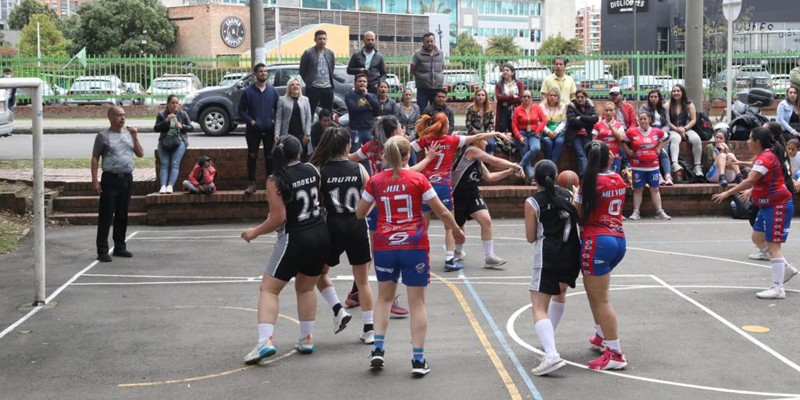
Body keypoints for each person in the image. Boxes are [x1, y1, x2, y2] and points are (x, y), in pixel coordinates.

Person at [356, 135, 465, 377]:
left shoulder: (375, 181)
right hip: (413, 245)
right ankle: (417, 360)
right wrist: (456, 230)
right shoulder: (419, 179)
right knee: (417, 303)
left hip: (385, 244)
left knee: (384, 298)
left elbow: (359, 212)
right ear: (407, 156)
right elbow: (442, 210)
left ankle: (378, 348)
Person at [241, 135, 331, 364]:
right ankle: (307, 338)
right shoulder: (312, 169)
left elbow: (277, 218)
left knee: (269, 289)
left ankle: (264, 341)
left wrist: (254, 232)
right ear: (299, 151)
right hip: (320, 234)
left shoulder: (275, 179)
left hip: (296, 237)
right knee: (306, 287)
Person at [345, 115, 438, 315]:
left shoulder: (370, 146)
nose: (402, 129)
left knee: (376, 252)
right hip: (390, 203)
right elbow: (409, 173)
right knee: (393, 250)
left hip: (374, 201)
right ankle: (389, 298)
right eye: (400, 127)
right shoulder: (396, 148)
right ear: (395, 131)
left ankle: (355, 291)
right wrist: (429, 159)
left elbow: (350, 158)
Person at [412, 112, 508, 271]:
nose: (450, 125)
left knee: (423, 224)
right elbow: (478, 137)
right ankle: (449, 259)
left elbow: (406, 147)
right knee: (449, 225)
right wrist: (496, 133)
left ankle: (417, 256)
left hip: (426, 185)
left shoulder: (425, 140)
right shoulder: (452, 140)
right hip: (442, 186)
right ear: (444, 126)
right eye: (448, 123)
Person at [712, 127, 798, 299]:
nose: (747, 142)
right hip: (767, 204)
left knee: (774, 246)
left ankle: (777, 288)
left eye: (750, 139)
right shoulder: (765, 156)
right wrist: (741, 165)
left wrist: (727, 193)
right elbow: (759, 173)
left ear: (757, 142)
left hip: (778, 204)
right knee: (757, 238)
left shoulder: (765, 158)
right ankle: (785, 267)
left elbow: (750, 180)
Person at [308, 128, 375, 343]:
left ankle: (338, 309)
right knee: (362, 281)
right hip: (356, 224)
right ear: (347, 146)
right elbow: (372, 195)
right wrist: (364, 212)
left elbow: (316, 201)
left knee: (318, 271)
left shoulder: (320, 170)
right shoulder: (359, 169)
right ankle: (369, 329)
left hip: (332, 226)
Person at [523, 159, 580, 375]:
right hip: (571, 252)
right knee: (560, 293)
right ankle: (550, 342)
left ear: (535, 178)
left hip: (548, 256)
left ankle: (551, 354)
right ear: (557, 177)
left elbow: (530, 238)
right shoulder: (568, 195)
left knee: (538, 307)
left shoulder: (533, 202)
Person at [576, 140, 629, 371]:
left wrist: (573, 196)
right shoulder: (618, 178)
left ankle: (616, 353)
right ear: (609, 158)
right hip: (618, 239)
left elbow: (579, 215)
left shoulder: (588, 182)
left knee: (601, 299)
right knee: (594, 294)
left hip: (597, 241)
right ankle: (601, 335)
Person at [452, 135, 524, 268]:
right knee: (458, 228)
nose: (486, 143)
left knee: (486, 220)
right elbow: (495, 161)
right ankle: (457, 250)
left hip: (472, 194)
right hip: (457, 195)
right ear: (477, 141)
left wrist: (509, 171)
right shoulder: (471, 151)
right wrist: (514, 165)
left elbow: (490, 177)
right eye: (484, 140)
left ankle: (489, 257)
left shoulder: (478, 160)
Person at [91, 106, 144, 262]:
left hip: (126, 178)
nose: (123, 118)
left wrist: (135, 136)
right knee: (106, 215)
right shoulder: (103, 136)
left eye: (124, 115)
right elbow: (95, 158)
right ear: (110, 117)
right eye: (119, 115)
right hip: (110, 179)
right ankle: (102, 250)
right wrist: (95, 180)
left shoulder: (129, 134)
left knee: (123, 214)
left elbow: (140, 154)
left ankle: (120, 246)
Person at [238, 63, 279, 195]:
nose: (263, 73)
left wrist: (273, 120)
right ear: (255, 74)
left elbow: (278, 108)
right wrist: (251, 121)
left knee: (270, 156)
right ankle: (252, 183)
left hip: (269, 130)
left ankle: (270, 184)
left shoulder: (273, 91)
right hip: (253, 130)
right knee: (252, 155)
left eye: (265, 71)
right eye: (260, 71)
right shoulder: (248, 92)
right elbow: (241, 110)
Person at [624, 111, 671, 220]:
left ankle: (659, 211)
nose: (643, 121)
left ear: (650, 120)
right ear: (638, 121)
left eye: (645, 119)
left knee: (655, 189)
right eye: (641, 119)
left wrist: (659, 148)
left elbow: (667, 137)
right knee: (638, 189)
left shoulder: (656, 131)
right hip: (638, 166)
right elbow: (622, 140)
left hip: (653, 166)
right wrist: (628, 151)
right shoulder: (632, 132)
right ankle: (636, 212)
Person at [154, 94, 192, 194]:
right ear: (168, 104)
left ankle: (170, 185)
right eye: (172, 103)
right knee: (164, 164)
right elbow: (156, 128)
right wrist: (166, 120)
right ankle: (163, 186)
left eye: (177, 103)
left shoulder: (182, 114)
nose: (175, 105)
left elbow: (191, 128)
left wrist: (181, 126)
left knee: (174, 164)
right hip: (164, 142)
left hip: (179, 141)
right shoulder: (162, 114)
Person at [666, 84, 703, 177]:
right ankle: (674, 163)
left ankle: (697, 166)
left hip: (686, 128)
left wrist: (685, 129)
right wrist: (678, 130)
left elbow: (694, 120)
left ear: (682, 92)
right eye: (674, 91)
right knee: (675, 139)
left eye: (678, 91)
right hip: (673, 129)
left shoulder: (689, 104)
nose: (676, 93)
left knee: (696, 139)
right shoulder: (668, 105)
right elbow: (667, 121)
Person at [639, 89, 673, 185]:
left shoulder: (663, 109)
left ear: (659, 98)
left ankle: (668, 175)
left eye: (655, 97)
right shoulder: (644, 108)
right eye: (651, 97)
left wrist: (661, 132)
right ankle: (658, 176)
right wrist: (654, 133)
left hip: (662, 132)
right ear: (649, 98)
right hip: (649, 132)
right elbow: (643, 122)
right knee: (653, 153)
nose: (653, 99)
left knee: (663, 152)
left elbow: (667, 124)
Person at [512, 90, 546, 182]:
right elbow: (514, 126)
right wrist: (519, 137)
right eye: (524, 96)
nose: (526, 98)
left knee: (535, 148)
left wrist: (538, 131)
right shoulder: (517, 110)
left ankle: (519, 166)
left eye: (528, 96)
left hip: (533, 133)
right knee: (525, 152)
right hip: (521, 134)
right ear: (521, 98)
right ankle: (532, 177)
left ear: (531, 98)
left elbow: (544, 120)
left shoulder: (536, 108)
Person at [276, 78, 313, 160]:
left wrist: (307, 134)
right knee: (287, 158)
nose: (295, 86)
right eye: (292, 84)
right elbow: (279, 118)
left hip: (301, 135)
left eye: (297, 84)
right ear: (289, 87)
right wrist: (277, 133)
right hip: (287, 134)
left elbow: (308, 117)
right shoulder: (282, 100)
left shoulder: (305, 100)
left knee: (301, 158)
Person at [299, 29, 336, 113]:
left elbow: (332, 68)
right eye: (319, 39)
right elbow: (302, 70)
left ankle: (327, 126)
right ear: (315, 40)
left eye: (324, 38)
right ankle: (309, 126)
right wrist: (309, 82)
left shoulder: (330, 53)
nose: (322, 41)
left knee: (328, 112)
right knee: (310, 112)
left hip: (327, 88)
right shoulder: (308, 53)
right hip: (313, 88)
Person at [565, 88, 599, 174]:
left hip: (586, 135)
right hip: (575, 135)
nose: (580, 99)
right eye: (578, 97)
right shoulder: (571, 106)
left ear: (586, 98)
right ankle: (583, 176)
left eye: (582, 97)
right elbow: (572, 120)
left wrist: (581, 117)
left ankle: (591, 174)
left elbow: (595, 119)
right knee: (580, 154)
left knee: (590, 153)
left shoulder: (590, 106)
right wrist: (587, 120)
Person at [345, 73, 380, 151]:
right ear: (355, 83)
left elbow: (378, 111)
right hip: (355, 130)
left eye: (364, 81)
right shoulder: (350, 95)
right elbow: (353, 109)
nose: (362, 83)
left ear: (367, 84)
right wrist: (369, 107)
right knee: (355, 152)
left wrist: (366, 95)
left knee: (370, 153)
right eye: (359, 81)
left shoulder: (372, 96)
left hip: (369, 130)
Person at [410, 32, 444, 109]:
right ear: (423, 42)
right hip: (423, 88)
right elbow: (412, 70)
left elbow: (442, 69)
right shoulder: (417, 54)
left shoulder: (441, 53)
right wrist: (422, 77)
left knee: (437, 111)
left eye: (431, 41)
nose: (429, 43)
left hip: (437, 87)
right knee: (422, 110)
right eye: (427, 42)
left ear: (434, 41)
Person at [592, 102, 627, 173]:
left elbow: (621, 138)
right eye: (606, 110)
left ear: (615, 111)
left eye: (611, 110)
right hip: (601, 157)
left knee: (613, 180)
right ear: (604, 111)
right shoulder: (598, 125)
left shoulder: (619, 125)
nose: (608, 112)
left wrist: (611, 126)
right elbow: (593, 142)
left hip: (615, 157)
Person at [540, 88, 567, 166]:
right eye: (550, 95)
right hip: (545, 131)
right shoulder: (542, 106)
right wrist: (548, 131)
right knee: (548, 142)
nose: (552, 97)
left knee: (559, 142)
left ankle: (552, 166)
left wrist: (556, 131)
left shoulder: (562, 106)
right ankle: (549, 165)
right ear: (547, 96)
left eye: (555, 95)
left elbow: (564, 122)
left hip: (558, 131)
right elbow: (539, 122)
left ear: (558, 97)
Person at [494, 63, 524, 134]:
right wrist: (512, 97)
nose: (505, 72)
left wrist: (507, 101)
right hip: (504, 111)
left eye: (507, 70)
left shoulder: (519, 83)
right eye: (503, 70)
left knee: (515, 129)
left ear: (512, 72)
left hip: (516, 110)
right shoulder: (499, 85)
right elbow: (499, 97)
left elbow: (520, 98)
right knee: (504, 130)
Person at [465, 89, 496, 154]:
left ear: (486, 97)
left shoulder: (490, 108)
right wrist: (478, 135)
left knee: (491, 144)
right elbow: (468, 124)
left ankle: (488, 161)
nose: (480, 97)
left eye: (483, 95)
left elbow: (491, 124)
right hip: (474, 133)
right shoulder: (470, 108)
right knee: (476, 144)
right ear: (475, 97)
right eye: (478, 95)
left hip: (487, 133)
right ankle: (477, 162)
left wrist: (485, 135)